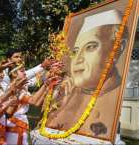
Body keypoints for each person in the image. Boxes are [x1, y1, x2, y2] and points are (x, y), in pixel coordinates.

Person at [46, 9, 128, 140]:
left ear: (117, 48)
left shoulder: (116, 94)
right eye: (75, 51)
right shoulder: (68, 91)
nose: (78, 59)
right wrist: (62, 102)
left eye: (90, 47)